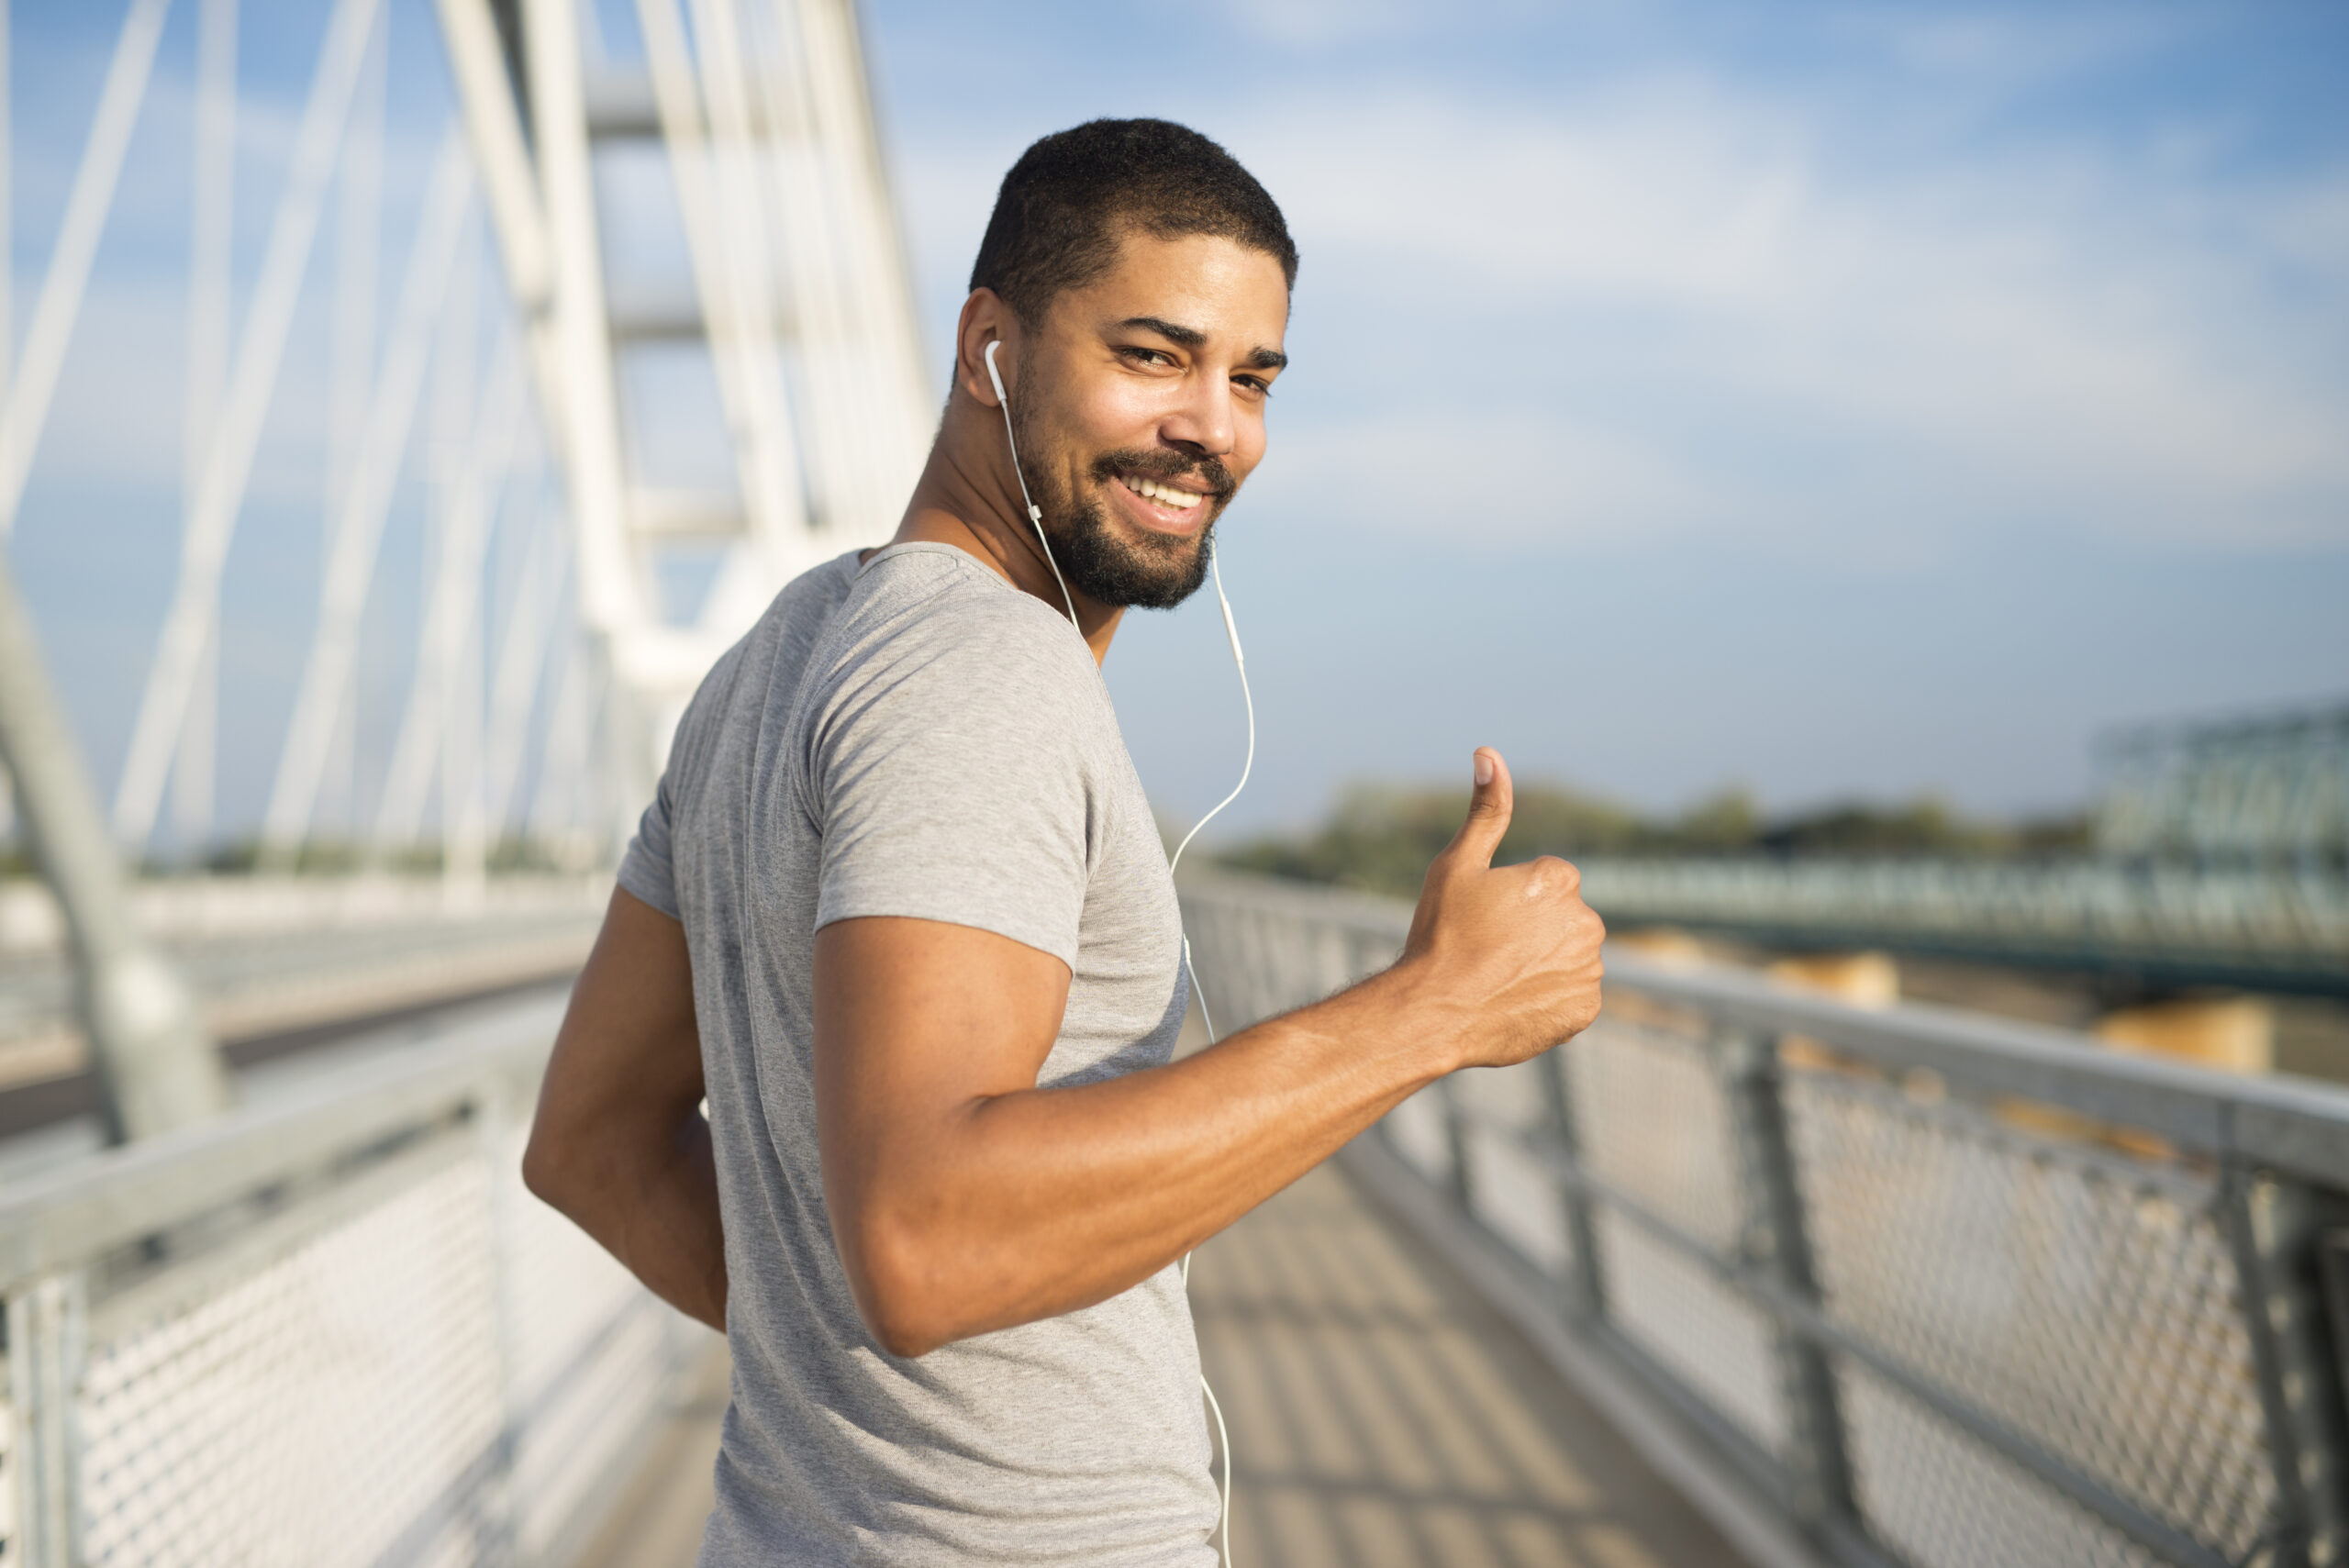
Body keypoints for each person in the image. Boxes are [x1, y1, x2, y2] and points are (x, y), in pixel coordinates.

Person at [521, 117, 1606, 1566]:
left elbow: (586, 1142)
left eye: (1252, 377)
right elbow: (928, 1235)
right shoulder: (983, 670)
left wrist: (859, 1374)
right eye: (1153, 355)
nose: (1215, 426)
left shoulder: (775, 656)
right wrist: (1431, 1013)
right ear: (992, 346)